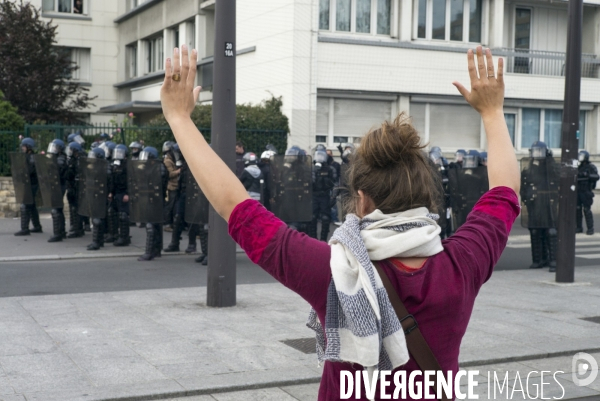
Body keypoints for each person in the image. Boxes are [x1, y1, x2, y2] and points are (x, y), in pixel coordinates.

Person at [161, 45, 519, 400]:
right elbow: (504, 192)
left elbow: (234, 205)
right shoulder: (462, 263)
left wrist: (179, 118)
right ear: (426, 197)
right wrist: (492, 112)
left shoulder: (335, 273)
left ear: (361, 198)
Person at [520, 141, 559, 272]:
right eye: (535, 152)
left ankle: (553, 260)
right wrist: (526, 198)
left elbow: (558, 181)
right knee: (535, 230)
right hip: (534, 203)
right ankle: (538, 259)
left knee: (551, 231)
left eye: (539, 152)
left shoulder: (552, 167)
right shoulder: (529, 169)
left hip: (548, 203)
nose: (537, 154)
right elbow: (524, 186)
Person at [138, 147, 168, 261]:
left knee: (150, 225)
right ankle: (156, 250)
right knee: (155, 225)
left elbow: (156, 185)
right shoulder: (151, 168)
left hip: (156, 200)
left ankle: (149, 252)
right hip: (151, 199)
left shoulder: (159, 168)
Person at [14, 138, 43, 236]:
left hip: (31, 183)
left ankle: (24, 229)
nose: (22, 148)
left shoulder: (31, 157)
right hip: (30, 183)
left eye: (24, 146)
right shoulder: (28, 156)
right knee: (32, 205)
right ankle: (37, 226)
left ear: (28, 147)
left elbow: (29, 170)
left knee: (25, 204)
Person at [309, 149, 336, 241]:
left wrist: (333, 196)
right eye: (318, 155)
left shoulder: (330, 169)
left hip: (325, 196)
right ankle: (313, 239)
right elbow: (309, 184)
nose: (319, 158)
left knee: (325, 218)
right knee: (312, 217)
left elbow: (335, 183)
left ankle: (323, 240)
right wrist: (314, 173)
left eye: (322, 156)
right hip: (314, 196)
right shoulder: (312, 168)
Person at [46, 139, 69, 242]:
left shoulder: (61, 159)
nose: (53, 149)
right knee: (58, 209)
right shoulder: (56, 157)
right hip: (57, 185)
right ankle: (61, 231)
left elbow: (56, 169)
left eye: (55, 147)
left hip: (60, 185)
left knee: (56, 209)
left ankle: (57, 234)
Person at [110, 144, 131, 246]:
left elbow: (131, 181)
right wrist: (111, 192)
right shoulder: (115, 165)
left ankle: (124, 237)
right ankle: (114, 234)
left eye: (120, 153)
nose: (117, 155)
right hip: (116, 192)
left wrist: (128, 193)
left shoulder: (128, 165)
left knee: (123, 215)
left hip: (123, 193)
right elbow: (112, 180)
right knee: (112, 212)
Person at [65, 142, 85, 238]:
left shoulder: (79, 161)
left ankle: (78, 229)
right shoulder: (72, 160)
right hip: (72, 186)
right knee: (73, 208)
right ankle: (76, 227)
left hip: (77, 187)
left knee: (76, 208)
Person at [577, 150, 599, 235]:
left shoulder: (591, 167)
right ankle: (579, 227)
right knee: (577, 209)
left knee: (586, 210)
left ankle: (590, 228)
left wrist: (587, 175)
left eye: (581, 156)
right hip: (578, 190)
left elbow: (596, 176)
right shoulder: (579, 167)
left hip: (586, 191)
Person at [162, 141, 180, 231]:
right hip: (171, 186)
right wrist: (179, 171)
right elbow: (169, 174)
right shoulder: (168, 161)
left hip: (175, 186)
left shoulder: (173, 160)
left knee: (176, 206)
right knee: (170, 206)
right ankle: (167, 224)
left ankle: (173, 223)